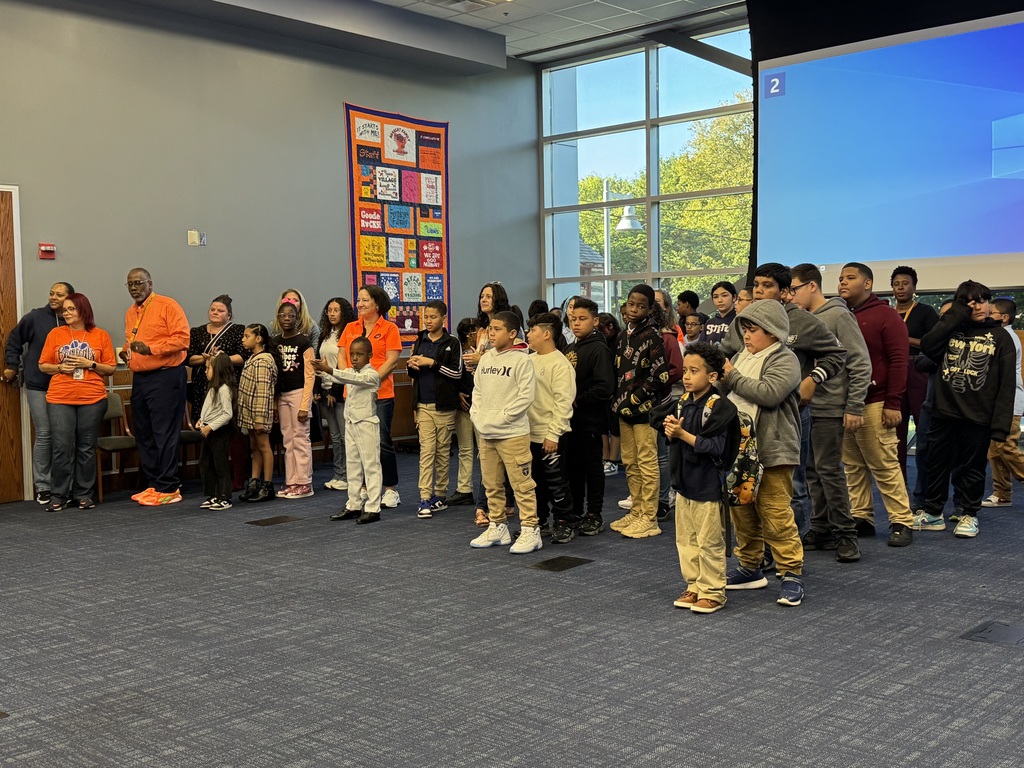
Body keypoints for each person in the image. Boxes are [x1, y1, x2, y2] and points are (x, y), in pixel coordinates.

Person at [720, 300, 805, 607]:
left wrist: (729, 376)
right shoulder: (743, 355)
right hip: (738, 449)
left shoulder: (786, 359)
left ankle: (791, 574)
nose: (746, 335)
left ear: (772, 332)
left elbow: (769, 395)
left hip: (773, 448)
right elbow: (731, 394)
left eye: (752, 329)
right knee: (741, 511)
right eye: (744, 328)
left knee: (775, 512)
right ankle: (750, 567)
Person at [915, 282, 1016, 539]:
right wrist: (956, 315)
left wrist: (1000, 425)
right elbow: (928, 346)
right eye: (971, 301)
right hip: (943, 412)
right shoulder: (950, 330)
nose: (979, 306)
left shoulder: (1001, 336)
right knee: (936, 465)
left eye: (983, 300)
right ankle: (933, 513)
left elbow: (1006, 384)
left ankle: (969, 513)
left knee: (972, 469)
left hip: (978, 416)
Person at [789, 264, 871, 563]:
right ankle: (821, 527)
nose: (791, 295)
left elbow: (860, 362)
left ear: (812, 286)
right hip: (805, 409)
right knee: (812, 471)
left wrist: (854, 406)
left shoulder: (838, 315)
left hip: (831, 406)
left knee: (829, 471)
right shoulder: (801, 320)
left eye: (795, 288)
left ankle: (846, 534)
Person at [653, 342, 740, 614]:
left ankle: (713, 591)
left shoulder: (720, 406)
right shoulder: (683, 403)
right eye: (685, 370)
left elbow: (715, 447)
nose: (687, 377)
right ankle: (694, 585)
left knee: (710, 540)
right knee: (686, 540)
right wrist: (670, 430)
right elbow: (668, 429)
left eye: (694, 371)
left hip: (707, 484)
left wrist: (682, 436)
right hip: (684, 483)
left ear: (712, 376)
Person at [837, 262, 915, 546]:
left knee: (883, 464)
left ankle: (901, 521)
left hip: (877, 402)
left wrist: (893, 402)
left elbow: (898, 361)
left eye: (850, 278)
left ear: (868, 283)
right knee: (853, 466)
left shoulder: (886, 316)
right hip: (844, 403)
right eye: (840, 278)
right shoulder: (839, 316)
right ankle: (863, 518)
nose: (842, 282)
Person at [469, 311, 540, 554]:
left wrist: (503, 418)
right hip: (486, 432)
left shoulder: (523, 360)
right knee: (491, 484)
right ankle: (498, 525)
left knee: (522, 485)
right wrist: (477, 417)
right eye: (490, 328)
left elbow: (525, 397)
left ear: (512, 333)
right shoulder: (487, 358)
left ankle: (531, 530)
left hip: (512, 433)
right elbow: (477, 391)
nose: (491, 332)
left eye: (497, 329)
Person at [37, 292, 116, 511]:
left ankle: (83, 494)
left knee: (86, 447)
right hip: (60, 397)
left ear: (83, 310)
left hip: (92, 398)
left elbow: (110, 368)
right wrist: (61, 367)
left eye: (71, 308)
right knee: (62, 447)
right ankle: (58, 495)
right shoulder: (56, 334)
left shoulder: (100, 335)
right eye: (65, 310)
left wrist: (89, 364)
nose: (67, 313)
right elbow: (43, 365)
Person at [120, 268, 190, 506]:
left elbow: (182, 339)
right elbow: (132, 339)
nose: (133, 288)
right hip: (140, 378)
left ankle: (170, 486)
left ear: (150, 283)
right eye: (129, 284)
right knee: (145, 433)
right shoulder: (131, 312)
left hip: (166, 375)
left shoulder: (167, 305)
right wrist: (126, 351)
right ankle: (154, 485)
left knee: (164, 432)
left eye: (138, 283)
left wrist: (151, 349)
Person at [4, 281, 74, 504]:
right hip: (39, 385)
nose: (53, 297)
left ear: (70, 298)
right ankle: (43, 485)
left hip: (66, 386)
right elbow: (14, 341)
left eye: (59, 294)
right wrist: (11, 366)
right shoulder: (35, 317)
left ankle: (65, 484)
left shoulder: (74, 319)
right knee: (45, 433)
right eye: (51, 293)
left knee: (65, 436)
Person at [610, 284, 670, 539]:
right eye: (631, 304)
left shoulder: (653, 335)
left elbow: (660, 375)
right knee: (630, 462)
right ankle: (636, 510)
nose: (634, 309)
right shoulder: (624, 335)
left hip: (644, 410)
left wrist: (635, 398)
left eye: (641, 306)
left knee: (647, 462)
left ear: (649, 309)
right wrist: (620, 402)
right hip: (624, 410)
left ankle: (649, 516)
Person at [340, 285, 403, 508]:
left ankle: (390, 489)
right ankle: (364, 488)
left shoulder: (389, 328)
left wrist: (371, 380)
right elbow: (341, 355)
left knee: (382, 441)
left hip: (380, 394)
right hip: (353, 394)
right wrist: (349, 377)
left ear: (377, 304)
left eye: (365, 300)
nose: (360, 304)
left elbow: (392, 360)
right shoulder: (350, 327)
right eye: (358, 300)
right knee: (357, 444)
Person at [317, 337, 384, 525]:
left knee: (371, 466)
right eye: (352, 354)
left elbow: (350, 378)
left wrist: (329, 369)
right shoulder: (349, 371)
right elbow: (338, 376)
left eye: (359, 354)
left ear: (369, 355)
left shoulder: (372, 375)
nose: (354, 358)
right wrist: (321, 371)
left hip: (367, 424)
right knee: (353, 466)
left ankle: (373, 507)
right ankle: (353, 504)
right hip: (352, 423)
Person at [407, 300, 463, 518]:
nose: (428, 321)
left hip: (445, 406)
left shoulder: (452, 342)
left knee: (442, 453)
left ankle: (440, 495)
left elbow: (456, 374)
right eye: (426, 317)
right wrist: (411, 366)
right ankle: (424, 498)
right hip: (423, 405)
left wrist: (432, 363)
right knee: (426, 451)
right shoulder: (420, 339)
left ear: (443, 318)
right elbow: (414, 373)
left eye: (432, 317)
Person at [526, 312, 577, 543]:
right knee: (536, 483)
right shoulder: (530, 359)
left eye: (533, 330)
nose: (529, 334)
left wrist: (553, 434)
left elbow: (563, 403)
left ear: (546, 334)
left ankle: (564, 522)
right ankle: (541, 521)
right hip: (530, 434)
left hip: (552, 435)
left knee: (557, 483)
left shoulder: (560, 364)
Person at [565, 297, 615, 537]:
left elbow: (605, 387)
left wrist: (578, 400)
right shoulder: (571, 348)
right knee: (573, 468)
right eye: (573, 319)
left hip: (591, 419)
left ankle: (594, 513)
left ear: (595, 321)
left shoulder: (598, 348)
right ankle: (575, 510)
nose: (576, 324)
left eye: (582, 319)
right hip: (570, 421)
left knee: (592, 469)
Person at [890, 266, 939, 477]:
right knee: (895, 428)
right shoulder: (887, 313)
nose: (900, 288)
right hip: (894, 370)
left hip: (918, 368)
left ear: (914, 287)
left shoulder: (925, 312)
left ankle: (926, 481)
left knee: (924, 426)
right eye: (896, 284)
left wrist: (906, 339)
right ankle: (897, 480)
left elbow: (935, 343)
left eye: (905, 283)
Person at [982, 298, 1024, 507]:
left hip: (1009, 402)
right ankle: (1002, 493)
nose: (986, 316)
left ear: (1004, 318)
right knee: (995, 449)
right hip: (998, 403)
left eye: (991, 313)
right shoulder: (999, 335)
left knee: (1007, 447)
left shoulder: (1006, 337)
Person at [272, 301, 315, 499]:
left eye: (291, 316)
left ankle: (304, 482)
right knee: (287, 439)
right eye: (283, 316)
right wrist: (273, 403)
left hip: (299, 393)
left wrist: (305, 404)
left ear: (298, 319)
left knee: (300, 438)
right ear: (278, 318)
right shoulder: (275, 342)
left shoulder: (304, 342)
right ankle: (291, 480)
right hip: (282, 394)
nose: (287, 319)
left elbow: (310, 375)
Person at [316, 297, 357, 492]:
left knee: (344, 436)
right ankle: (338, 474)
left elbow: (345, 365)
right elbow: (321, 362)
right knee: (333, 436)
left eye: (336, 310)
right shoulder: (326, 334)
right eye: (329, 310)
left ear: (344, 313)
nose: (332, 314)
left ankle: (350, 475)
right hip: (324, 389)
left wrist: (335, 390)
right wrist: (318, 389)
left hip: (339, 390)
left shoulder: (347, 334)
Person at [237, 324, 280, 503]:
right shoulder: (253, 358)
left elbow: (263, 392)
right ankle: (254, 483)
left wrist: (260, 418)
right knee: (255, 447)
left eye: (247, 336)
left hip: (258, 412)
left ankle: (267, 485)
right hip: (250, 412)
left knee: (264, 446)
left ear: (259, 338)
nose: (243, 339)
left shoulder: (263, 361)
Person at [196, 353, 237, 510]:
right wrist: (202, 420)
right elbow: (209, 408)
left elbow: (227, 414)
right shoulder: (213, 388)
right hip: (209, 430)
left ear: (218, 369)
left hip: (219, 431)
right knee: (206, 462)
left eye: (208, 368)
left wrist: (210, 426)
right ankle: (213, 494)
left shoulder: (224, 390)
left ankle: (224, 497)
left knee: (220, 464)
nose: (206, 371)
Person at [449, 317, 478, 511]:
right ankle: (464, 489)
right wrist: (458, 393)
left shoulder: (485, 353)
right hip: (464, 406)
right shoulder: (457, 353)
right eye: (476, 332)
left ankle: (491, 488)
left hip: (482, 407)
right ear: (470, 334)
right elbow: (452, 376)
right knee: (465, 449)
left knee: (485, 452)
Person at [598, 312, 622, 475]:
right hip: (603, 389)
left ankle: (613, 460)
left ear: (610, 327)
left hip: (616, 389)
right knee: (602, 426)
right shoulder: (601, 343)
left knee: (614, 427)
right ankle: (605, 457)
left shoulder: (619, 341)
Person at [704, 281, 737, 347]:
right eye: (715, 297)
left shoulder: (738, 320)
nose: (720, 300)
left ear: (734, 297)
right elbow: (700, 346)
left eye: (724, 295)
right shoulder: (709, 323)